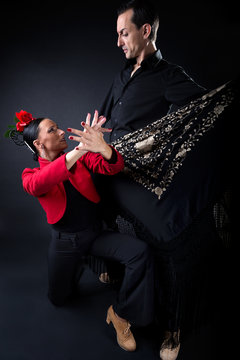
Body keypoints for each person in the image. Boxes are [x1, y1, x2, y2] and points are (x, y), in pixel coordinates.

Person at [95, 1, 208, 359]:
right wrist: (92, 137)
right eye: (116, 35)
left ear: (146, 32)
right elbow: (106, 119)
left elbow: (203, 114)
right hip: (109, 168)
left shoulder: (169, 75)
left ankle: (172, 327)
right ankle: (113, 269)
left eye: (124, 33)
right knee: (85, 200)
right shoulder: (121, 76)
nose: (119, 42)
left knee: (169, 237)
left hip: (143, 175)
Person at [7, 109, 155, 352]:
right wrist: (81, 149)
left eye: (58, 126)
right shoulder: (31, 175)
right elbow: (39, 184)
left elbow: (113, 167)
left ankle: (120, 313)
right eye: (52, 130)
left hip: (96, 235)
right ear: (38, 143)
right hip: (66, 244)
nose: (62, 131)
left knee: (140, 252)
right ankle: (85, 265)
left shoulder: (83, 159)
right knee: (60, 299)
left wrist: (102, 148)